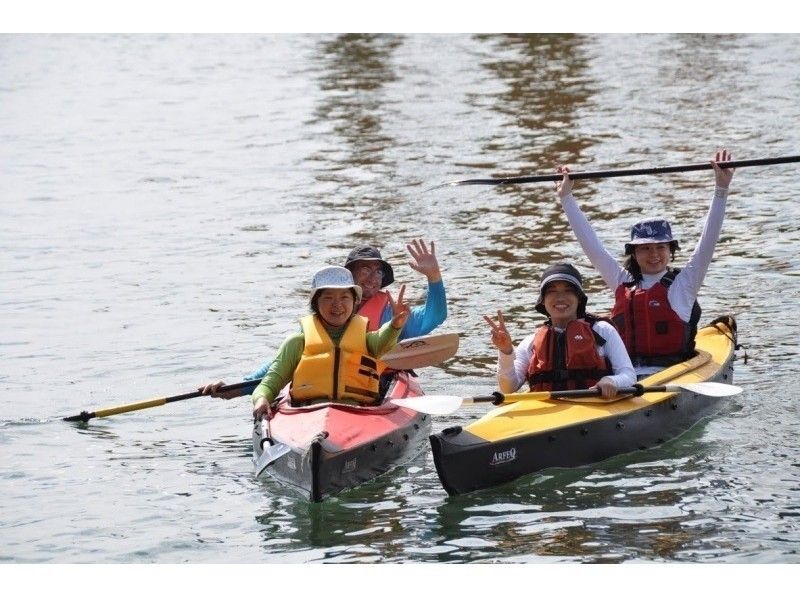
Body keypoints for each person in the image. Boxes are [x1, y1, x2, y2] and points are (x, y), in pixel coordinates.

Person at [556, 150, 735, 376]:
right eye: (645, 248)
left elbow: (707, 241)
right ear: (634, 253)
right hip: (626, 375)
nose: (654, 254)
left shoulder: (684, 283)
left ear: (670, 250)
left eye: (660, 247)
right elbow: (592, 247)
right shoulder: (623, 282)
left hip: (673, 374)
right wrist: (566, 198)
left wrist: (721, 189)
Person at [250, 266, 409, 419]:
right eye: (328, 297)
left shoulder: (368, 341)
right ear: (316, 303)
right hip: (307, 416)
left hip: (359, 415)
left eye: (345, 297)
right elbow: (268, 385)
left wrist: (395, 324)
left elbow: (384, 340)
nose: (337, 304)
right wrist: (261, 399)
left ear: (354, 302)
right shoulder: (296, 343)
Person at [484, 263, 635, 399]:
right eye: (552, 291)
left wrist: (611, 380)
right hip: (548, 415)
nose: (560, 298)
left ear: (579, 298)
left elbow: (629, 375)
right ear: (543, 300)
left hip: (594, 409)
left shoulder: (603, 331)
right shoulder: (531, 342)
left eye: (568, 291)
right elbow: (508, 388)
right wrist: (505, 352)